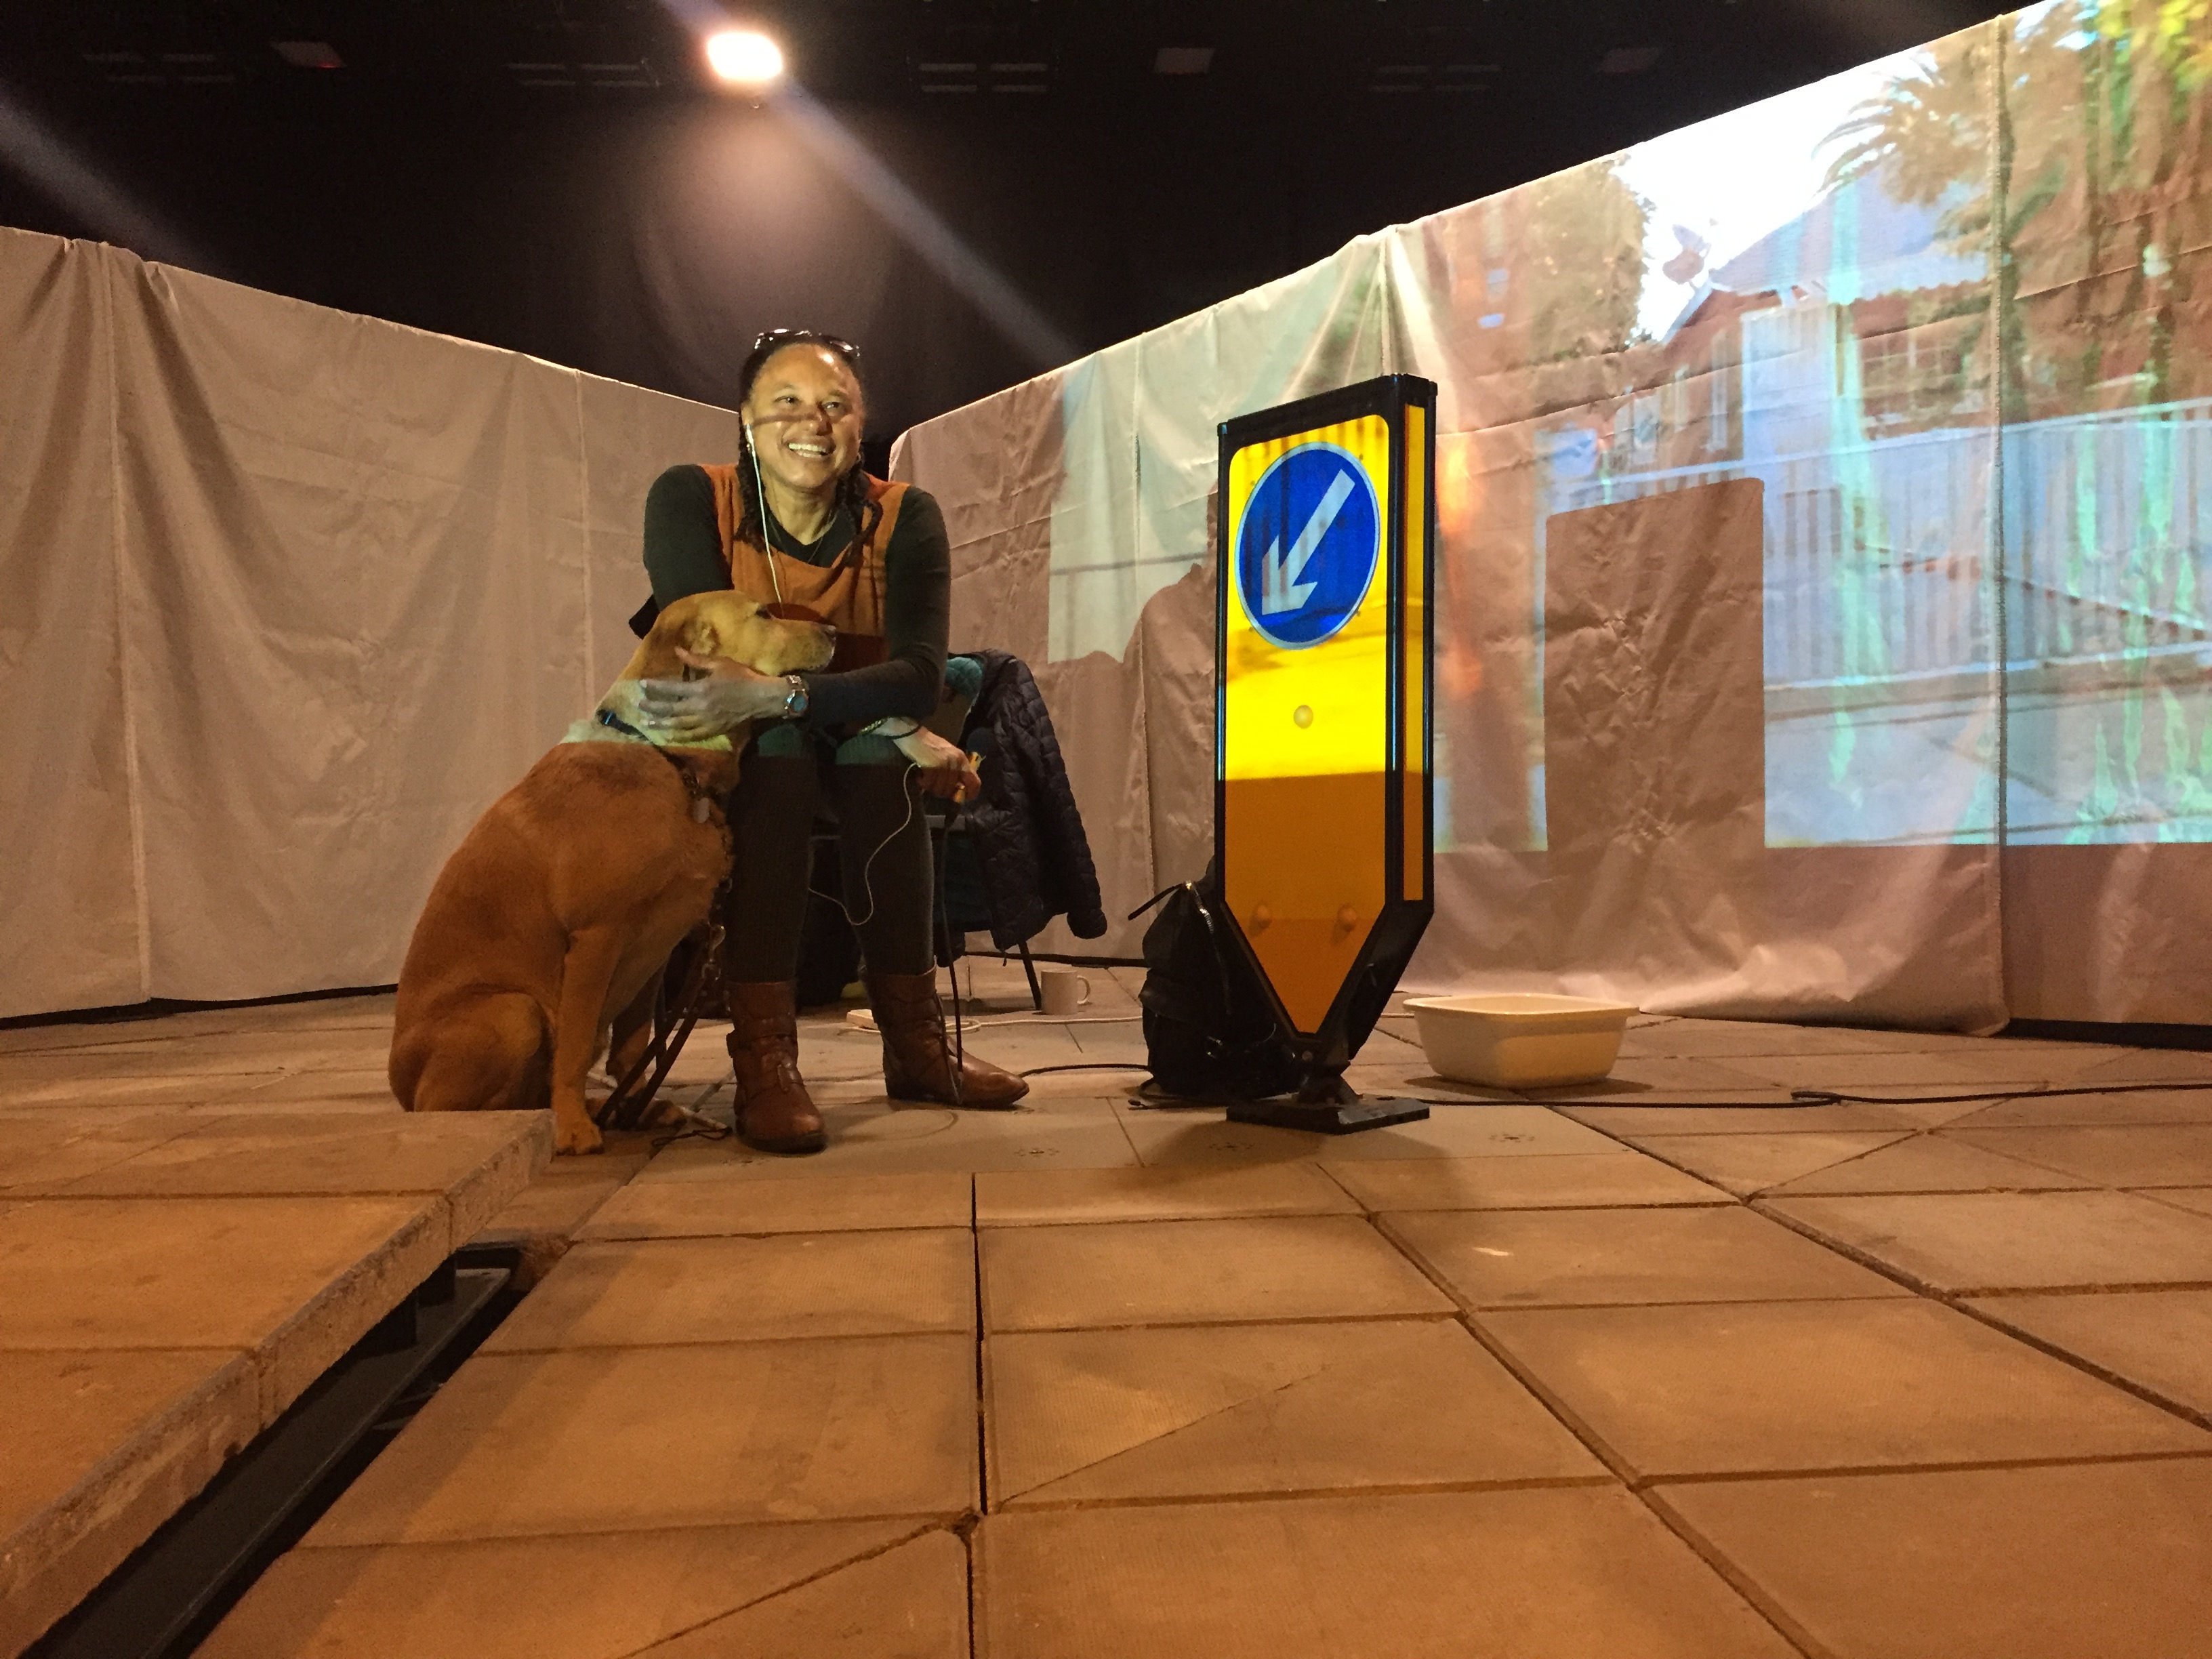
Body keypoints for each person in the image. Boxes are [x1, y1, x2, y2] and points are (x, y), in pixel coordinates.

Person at [635, 329, 1028, 1154]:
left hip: (832, 720)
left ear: (861, 424)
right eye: (785, 402)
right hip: (719, 735)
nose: (812, 420)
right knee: (782, 759)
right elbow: (708, 655)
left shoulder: (904, 516)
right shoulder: (691, 497)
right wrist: (866, 700)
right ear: (745, 418)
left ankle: (916, 1043)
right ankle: (764, 1058)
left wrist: (821, 698)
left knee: (877, 757)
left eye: (835, 404)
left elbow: (920, 675)